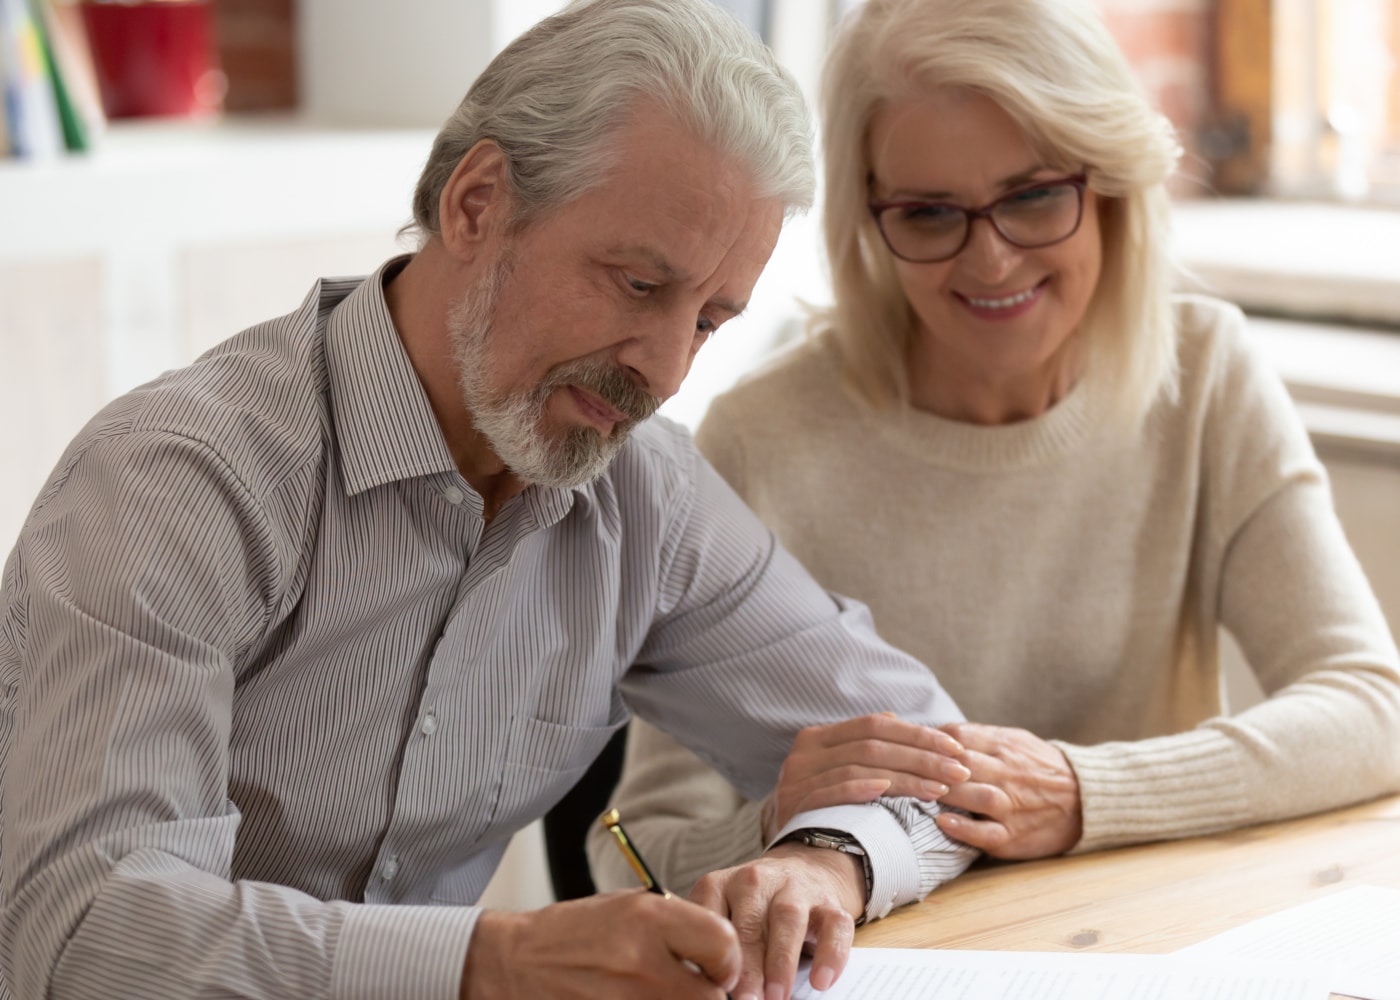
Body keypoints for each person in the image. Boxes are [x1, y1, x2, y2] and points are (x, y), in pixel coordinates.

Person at [0, 2, 984, 998]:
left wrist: (822, 860)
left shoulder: (644, 495)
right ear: (476, 204)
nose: (667, 369)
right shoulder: (175, 483)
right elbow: (85, 930)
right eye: (638, 284)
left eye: (709, 321)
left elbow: (943, 766)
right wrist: (490, 962)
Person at [589, 0, 1400, 897]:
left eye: (1034, 196)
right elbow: (635, 853)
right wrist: (785, 829)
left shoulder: (1205, 373)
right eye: (931, 215)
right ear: (867, 216)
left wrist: (1080, 794)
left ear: (1114, 185)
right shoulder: (762, 435)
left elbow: (1373, 710)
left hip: (1151, 942)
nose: (991, 263)